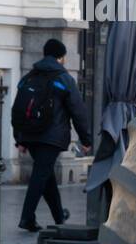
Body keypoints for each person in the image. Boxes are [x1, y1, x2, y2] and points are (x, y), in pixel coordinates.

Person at [12, 38, 93, 232]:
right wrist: (86, 139)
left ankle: (59, 216)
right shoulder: (63, 78)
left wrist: (20, 138)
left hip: (31, 135)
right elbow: (78, 110)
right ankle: (26, 217)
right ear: (61, 57)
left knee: (45, 176)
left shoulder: (30, 76)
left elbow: (18, 108)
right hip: (51, 137)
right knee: (40, 175)